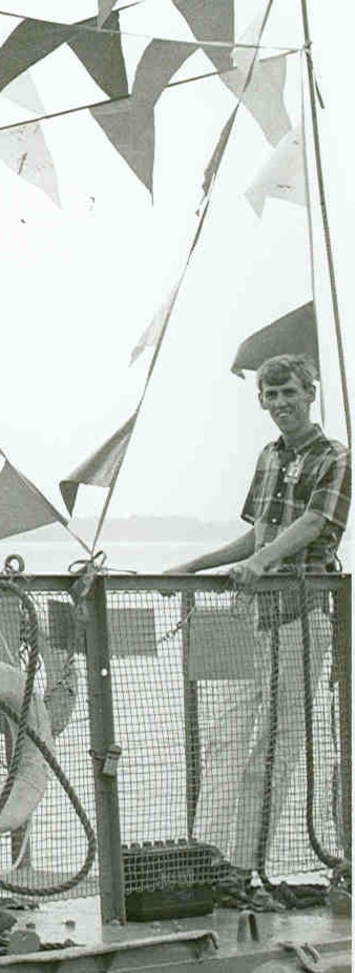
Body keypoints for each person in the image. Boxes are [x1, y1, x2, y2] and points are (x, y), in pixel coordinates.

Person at [169, 354, 348, 877]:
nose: (280, 405)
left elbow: (315, 523)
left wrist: (261, 562)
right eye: (271, 396)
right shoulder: (268, 457)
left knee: (276, 745)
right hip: (253, 616)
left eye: (289, 393)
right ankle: (202, 859)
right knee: (226, 738)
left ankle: (245, 865)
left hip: (300, 613)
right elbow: (258, 535)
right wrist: (195, 565)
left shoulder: (334, 457)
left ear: (310, 393)